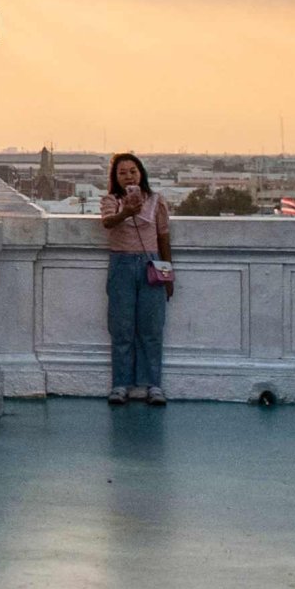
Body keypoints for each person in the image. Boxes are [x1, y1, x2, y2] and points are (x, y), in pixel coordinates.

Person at [97, 153, 172, 406]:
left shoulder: (156, 201)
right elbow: (107, 223)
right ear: (115, 178)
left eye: (133, 171)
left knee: (151, 328)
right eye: (122, 172)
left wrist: (168, 273)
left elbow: (163, 236)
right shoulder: (111, 200)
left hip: (151, 264)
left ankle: (152, 385)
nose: (129, 176)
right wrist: (126, 211)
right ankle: (121, 385)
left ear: (141, 174)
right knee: (122, 328)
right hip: (122, 265)